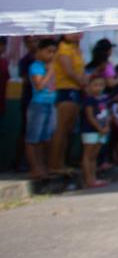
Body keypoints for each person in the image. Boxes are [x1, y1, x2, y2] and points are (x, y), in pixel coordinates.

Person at [47, 32, 86, 174]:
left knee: (68, 129)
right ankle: (53, 164)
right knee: (61, 129)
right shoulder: (63, 49)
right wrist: (82, 82)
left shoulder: (76, 49)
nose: (76, 35)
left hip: (75, 91)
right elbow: (69, 72)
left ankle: (61, 163)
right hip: (65, 90)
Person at [24, 38, 60, 182]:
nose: (51, 55)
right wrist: (50, 71)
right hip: (38, 105)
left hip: (50, 104)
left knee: (44, 138)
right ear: (39, 51)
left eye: (53, 52)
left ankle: (42, 167)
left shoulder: (49, 66)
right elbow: (39, 86)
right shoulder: (36, 66)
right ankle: (34, 168)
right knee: (33, 138)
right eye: (48, 51)